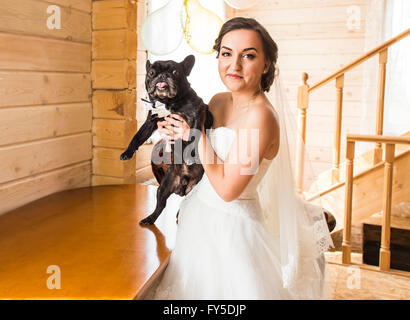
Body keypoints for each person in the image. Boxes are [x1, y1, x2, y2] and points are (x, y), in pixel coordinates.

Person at [145, 17, 333, 300]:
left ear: (266, 64)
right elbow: (196, 157)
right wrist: (172, 131)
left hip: (233, 234)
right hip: (198, 220)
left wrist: (193, 135)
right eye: (226, 53)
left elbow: (228, 190)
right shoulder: (219, 101)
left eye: (248, 55)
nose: (234, 65)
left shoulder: (261, 117)